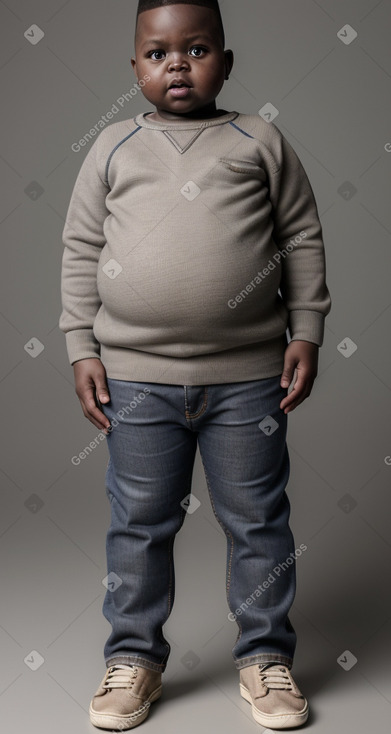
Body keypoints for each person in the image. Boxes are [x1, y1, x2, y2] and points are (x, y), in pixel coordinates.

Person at [59, 0, 331, 729]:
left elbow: (300, 237)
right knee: (139, 524)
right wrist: (81, 346)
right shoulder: (113, 146)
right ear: (135, 67)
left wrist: (305, 329)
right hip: (135, 379)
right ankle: (134, 659)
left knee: (257, 523)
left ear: (226, 62)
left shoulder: (258, 139)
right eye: (157, 53)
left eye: (197, 48)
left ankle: (264, 658)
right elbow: (81, 249)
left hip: (247, 378)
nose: (176, 63)